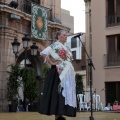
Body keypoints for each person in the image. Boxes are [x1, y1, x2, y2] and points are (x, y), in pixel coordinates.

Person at [39, 30, 76, 120]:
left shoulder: (67, 47)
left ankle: (61, 114)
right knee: (58, 93)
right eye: (64, 35)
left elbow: (69, 58)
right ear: (58, 36)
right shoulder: (55, 45)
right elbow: (43, 53)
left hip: (67, 73)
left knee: (64, 94)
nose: (66, 37)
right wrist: (52, 62)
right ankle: (57, 116)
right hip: (58, 73)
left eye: (66, 35)